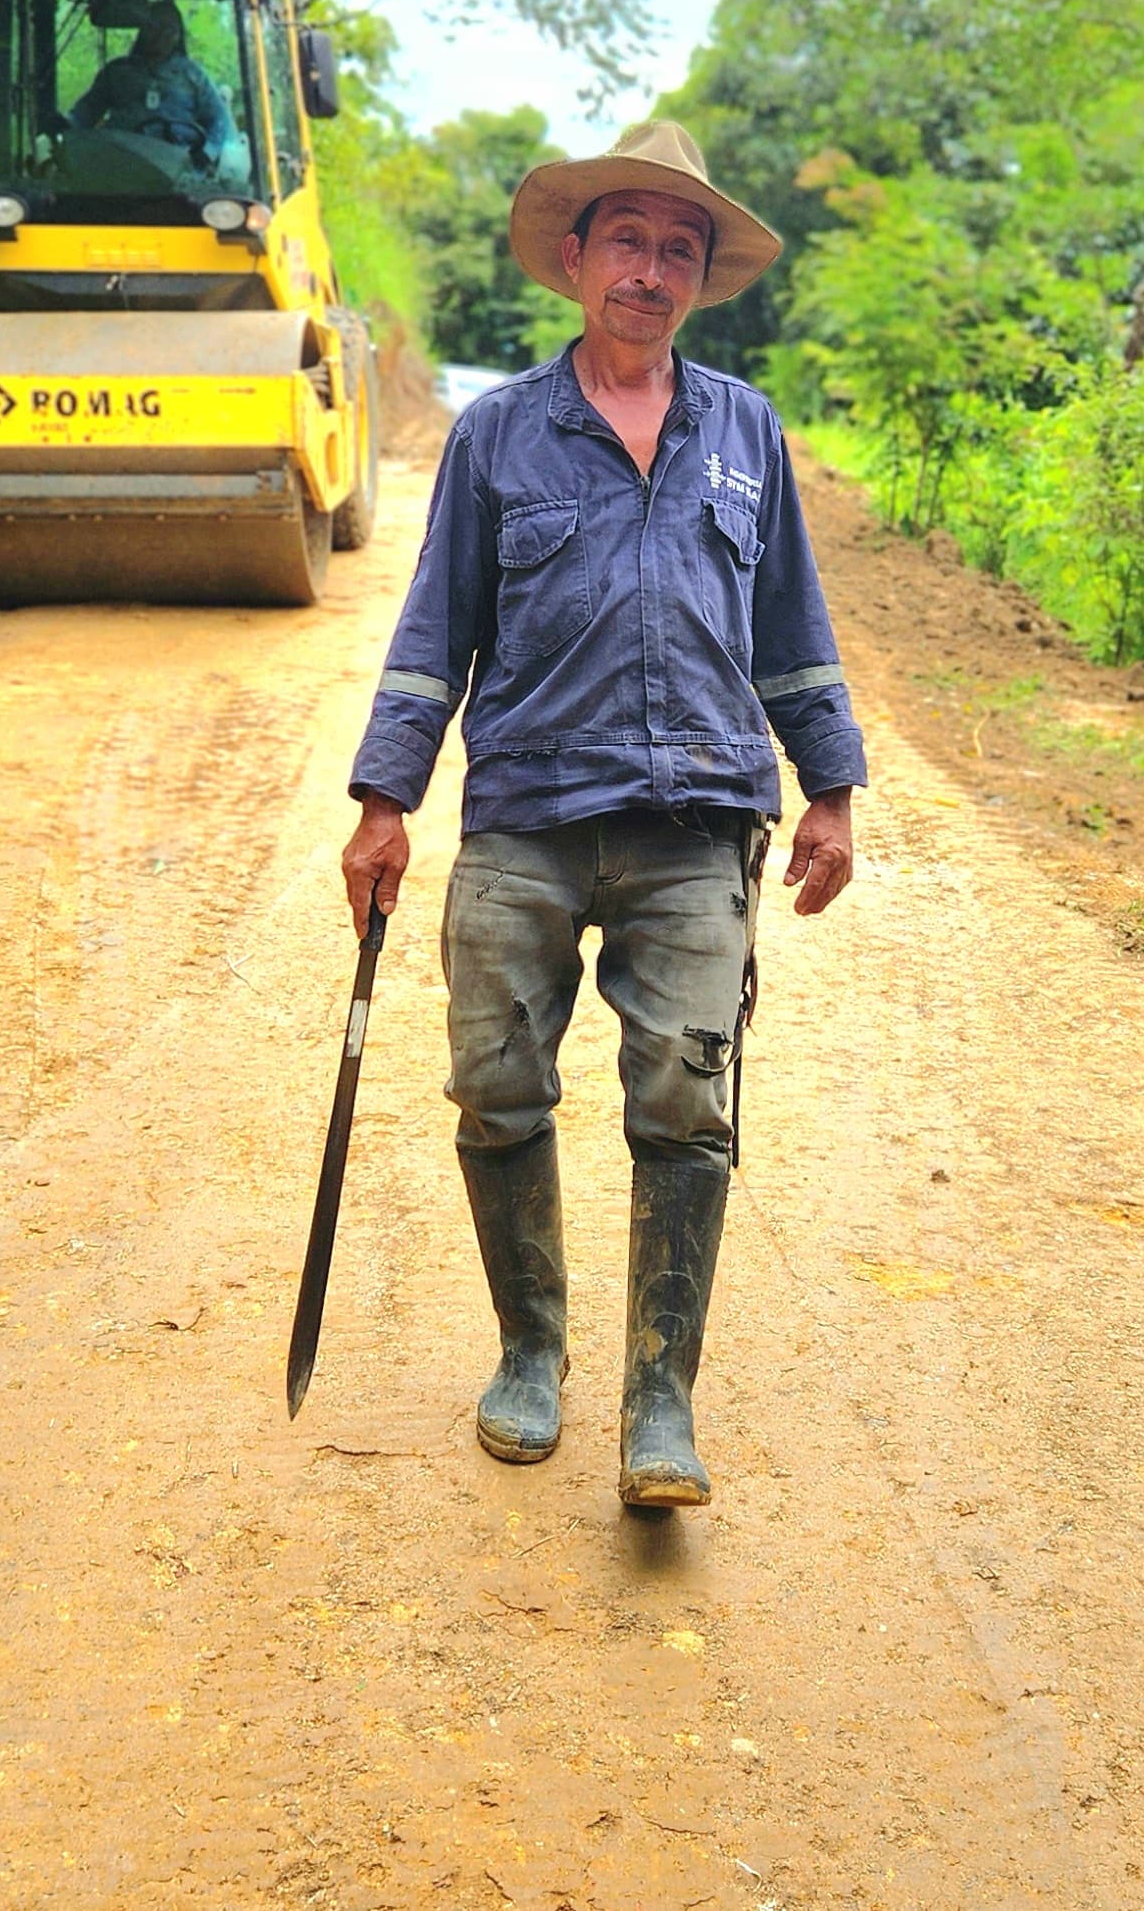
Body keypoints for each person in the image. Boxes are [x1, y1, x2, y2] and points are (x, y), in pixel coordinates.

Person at [339, 120, 863, 1510]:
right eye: (628, 240)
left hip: (698, 825)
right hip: (525, 815)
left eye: (678, 249)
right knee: (496, 1085)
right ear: (577, 257)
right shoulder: (500, 431)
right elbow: (432, 629)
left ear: (700, 276)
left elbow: (791, 625)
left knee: (688, 1101)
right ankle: (529, 1351)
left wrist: (834, 787)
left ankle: (659, 1399)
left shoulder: (745, 429)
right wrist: (384, 801)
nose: (652, 270)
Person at [72, 0, 226, 165]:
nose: (162, 35)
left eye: (170, 29)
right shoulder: (117, 73)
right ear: (143, 30)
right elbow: (88, 109)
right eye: (155, 27)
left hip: (178, 168)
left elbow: (218, 118)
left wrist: (207, 152)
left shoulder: (194, 76)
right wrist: (68, 125)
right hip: (121, 164)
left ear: (178, 36)